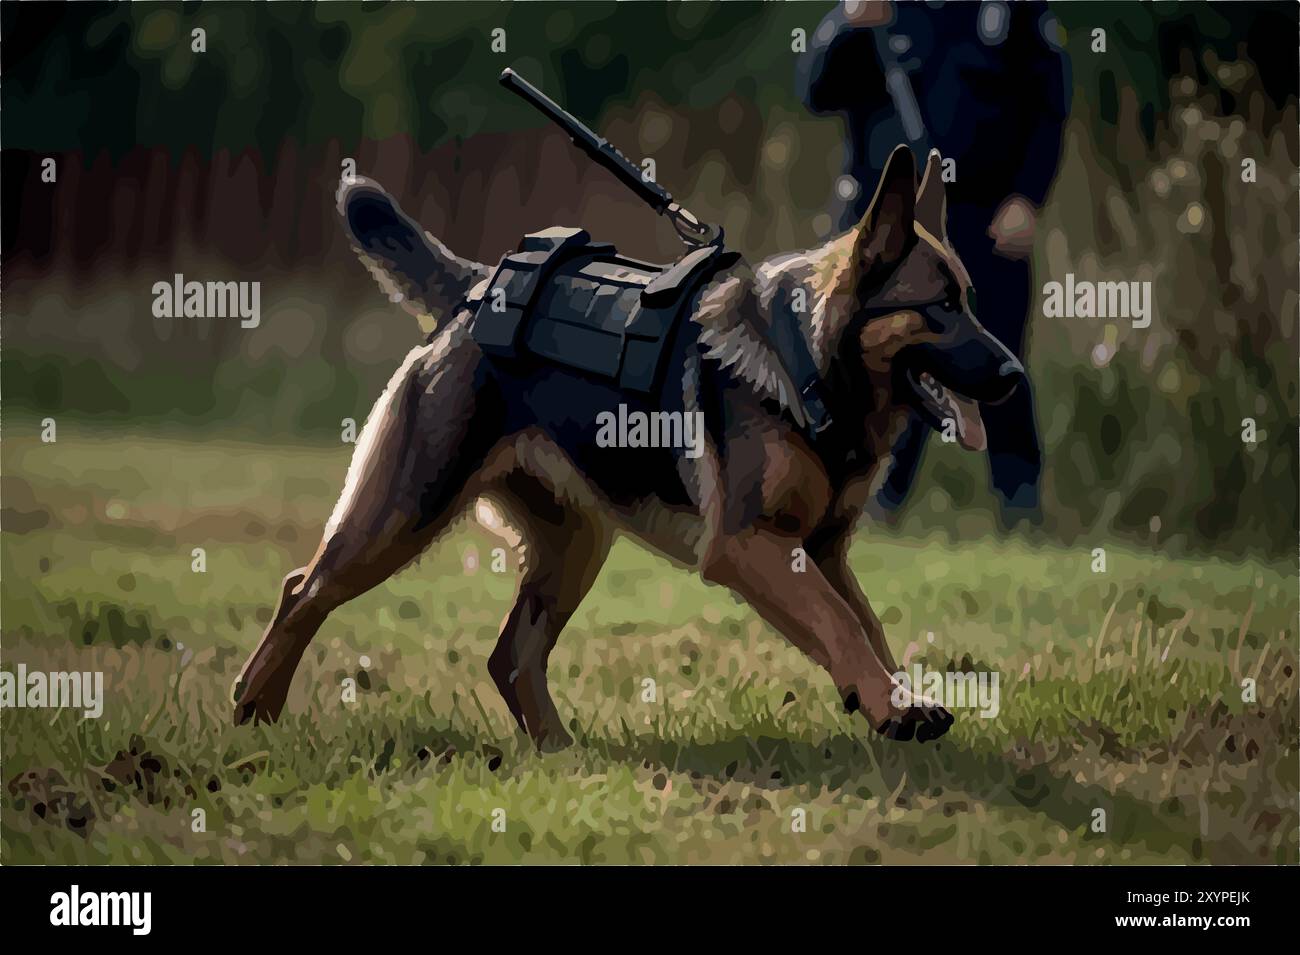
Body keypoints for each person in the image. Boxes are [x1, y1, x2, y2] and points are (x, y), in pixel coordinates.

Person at [800, 0, 1072, 524]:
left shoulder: (1015, 11)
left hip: (983, 216)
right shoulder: (877, 8)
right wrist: (848, 26)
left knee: (994, 351)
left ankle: (1020, 503)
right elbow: (816, 92)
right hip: (881, 228)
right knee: (869, 358)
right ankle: (868, 499)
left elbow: (1048, 104)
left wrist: (1027, 197)